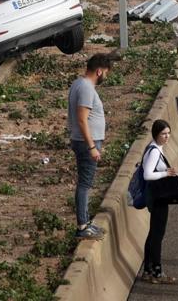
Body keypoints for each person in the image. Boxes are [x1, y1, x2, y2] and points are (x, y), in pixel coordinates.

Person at [68, 52, 113, 239]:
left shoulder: (78, 84)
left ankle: (85, 222)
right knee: (85, 184)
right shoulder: (86, 88)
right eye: (107, 73)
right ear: (100, 71)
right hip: (86, 143)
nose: (106, 77)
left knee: (85, 183)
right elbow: (81, 119)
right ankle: (82, 226)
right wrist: (92, 146)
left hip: (83, 141)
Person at [141, 119, 178, 284]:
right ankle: (157, 272)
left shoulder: (154, 148)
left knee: (153, 234)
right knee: (157, 235)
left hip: (156, 197)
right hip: (158, 198)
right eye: (163, 134)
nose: (167, 137)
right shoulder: (155, 151)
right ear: (156, 134)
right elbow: (147, 174)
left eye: (168, 133)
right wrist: (166, 174)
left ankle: (148, 271)